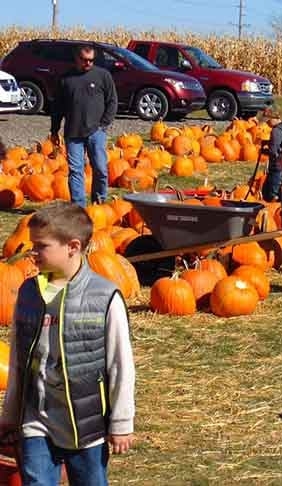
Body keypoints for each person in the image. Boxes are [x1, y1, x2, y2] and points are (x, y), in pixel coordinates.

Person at [0, 203, 135, 485]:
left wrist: (121, 422)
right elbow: (17, 359)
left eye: (41, 246)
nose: (32, 252)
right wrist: (11, 413)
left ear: (72, 246)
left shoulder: (104, 297)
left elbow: (120, 363)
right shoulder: (29, 292)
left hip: (86, 426)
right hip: (36, 418)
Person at [50, 44, 118, 208]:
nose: (88, 63)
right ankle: (78, 207)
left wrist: (104, 124)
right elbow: (57, 107)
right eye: (85, 60)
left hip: (96, 131)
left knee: (101, 169)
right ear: (77, 58)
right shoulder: (66, 79)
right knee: (75, 171)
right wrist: (54, 129)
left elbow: (112, 101)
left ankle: (99, 201)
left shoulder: (103, 76)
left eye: (91, 60)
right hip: (73, 133)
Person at [260, 107, 282, 202]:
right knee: (281, 193)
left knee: (270, 195)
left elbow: (273, 151)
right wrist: (268, 142)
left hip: (276, 168)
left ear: (273, 118)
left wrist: (263, 151)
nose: (267, 124)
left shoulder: (275, 131)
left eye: (268, 121)